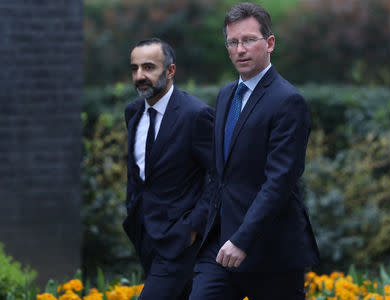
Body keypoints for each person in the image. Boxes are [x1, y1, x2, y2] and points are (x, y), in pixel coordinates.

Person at [190, 3, 320, 300]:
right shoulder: (226, 95)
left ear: (269, 43)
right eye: (233, 42)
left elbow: (279, 182)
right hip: (220, 247)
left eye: (248, 40)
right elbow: (219, 172)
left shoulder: (288, 101)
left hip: (271, 252)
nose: (240, 50)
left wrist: (243, 240)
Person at [122, 38, 213, 299]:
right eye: (134, 68)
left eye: (149, 67)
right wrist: (133, 212)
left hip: (181, 239)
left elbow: (220, 176)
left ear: (170, 71)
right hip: (145, 235)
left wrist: (194, 226)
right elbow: (139, 175)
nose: (140, 76)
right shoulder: (133, 112)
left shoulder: (196, 115)